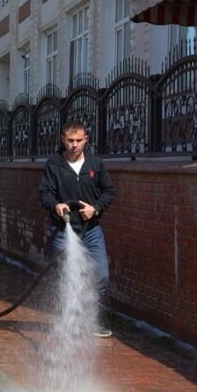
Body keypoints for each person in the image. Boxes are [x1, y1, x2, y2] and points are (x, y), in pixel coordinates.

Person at [39, 121, 116, 337]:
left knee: (100, 274)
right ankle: (69, 321)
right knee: (66, 275)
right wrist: (56, 205)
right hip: (63, 231)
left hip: (91, 230)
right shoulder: (54, 164)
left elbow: (109, 191)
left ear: (86, 140)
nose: (74, 145)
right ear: (63, 140)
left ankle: (88, 320)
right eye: (70, 140)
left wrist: (96, 209)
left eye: (79, 141)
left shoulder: (95, 164)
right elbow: (45, 193)